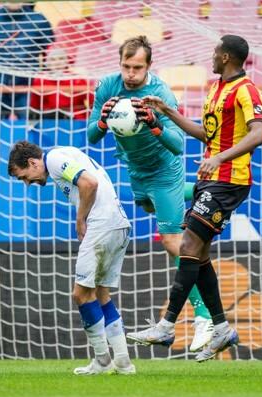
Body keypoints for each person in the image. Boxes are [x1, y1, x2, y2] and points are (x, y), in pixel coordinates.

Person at [127, 35, 262, 363]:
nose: (212, 57)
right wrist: (166, 111)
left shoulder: (246, 89)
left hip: (229, 180)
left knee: (187, 246)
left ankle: (167, 324)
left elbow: (258, 133)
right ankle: (220, 327)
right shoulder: (216, 89)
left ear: (228, 57)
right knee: (198, 254)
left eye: (216, 53)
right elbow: (208, 134)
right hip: (210, 180)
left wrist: (220, 158)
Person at [87, 35, 214, 352]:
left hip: (164, 169)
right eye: (126, 66)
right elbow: (91, 136)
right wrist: (102, 121)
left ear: (149, 66)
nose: (131, 73)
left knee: (173, 242)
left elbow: (179, 145)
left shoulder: (159, 93)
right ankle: (200, 190)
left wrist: (156, 124)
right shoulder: (107, 87)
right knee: (146, 205)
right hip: (135, 170)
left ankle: (204, 317)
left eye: (137, 67)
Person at [8, 141, 136, 375]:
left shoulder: (55, 159)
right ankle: (123, 362)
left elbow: (90, 183)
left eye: (23, 177)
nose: (27, 183)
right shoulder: (66, 154)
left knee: (80, 294)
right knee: (101, 294)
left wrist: (80, 218)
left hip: (101, 225)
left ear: (32, 163)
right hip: (118, 225)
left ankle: (102, 360)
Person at [0, 2, 54, 119]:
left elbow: (50, 52)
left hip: (28, 88)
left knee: (32, 130)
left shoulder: (38, 20)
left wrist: (40, 79)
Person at [30, 47, 94, 120]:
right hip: (50, 121)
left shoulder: (77, 79)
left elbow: (93, 102)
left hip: (76, 121)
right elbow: (34, 106)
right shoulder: (40, 80)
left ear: (67, 61)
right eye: (53, 59)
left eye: (61, 58)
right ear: (47, 63)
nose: (57, 63)